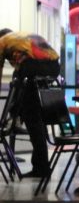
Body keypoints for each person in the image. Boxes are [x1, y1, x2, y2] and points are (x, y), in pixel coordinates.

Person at [0, 29, 60, 178]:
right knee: (36, 119)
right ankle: (40, 165)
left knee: (32, 118)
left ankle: (15, 118)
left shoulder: (2, 42)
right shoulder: (21, 37)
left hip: (34, 68)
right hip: (54, 67)